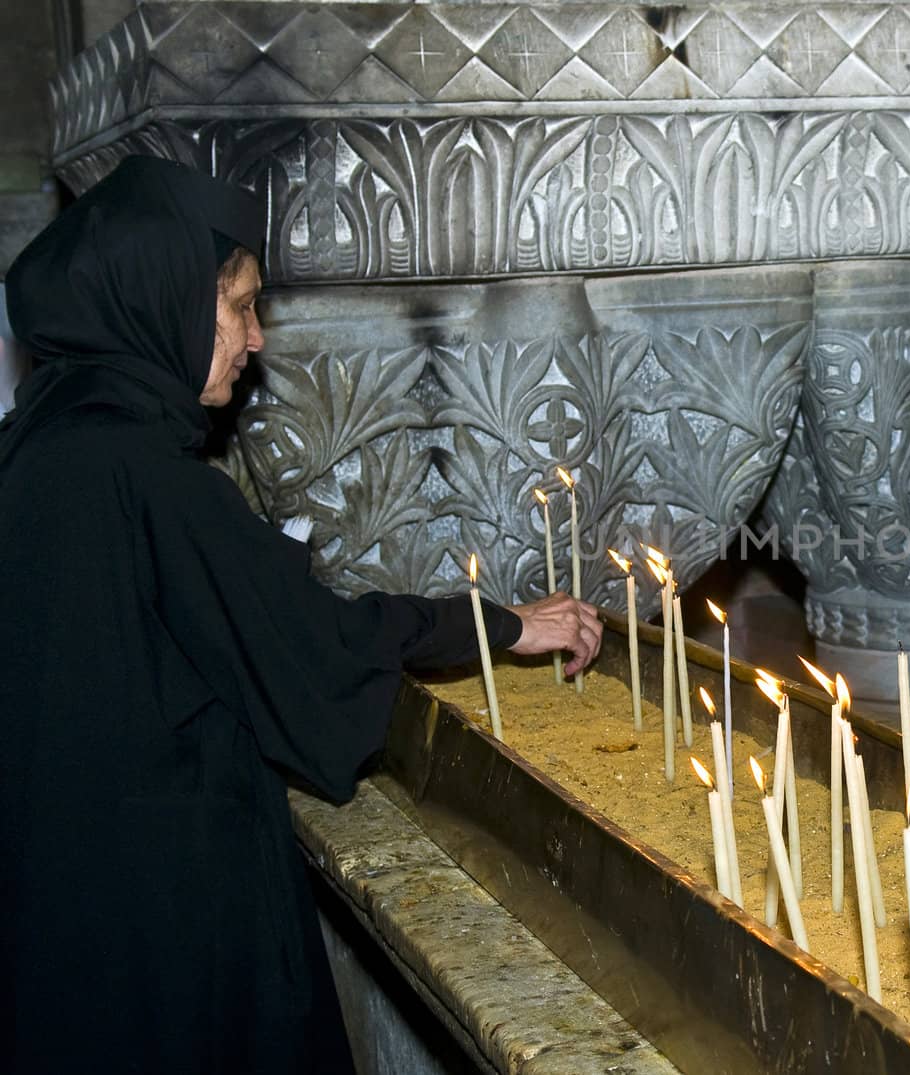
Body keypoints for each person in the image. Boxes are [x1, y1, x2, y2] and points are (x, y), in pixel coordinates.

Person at [0, 156, 602, 1073]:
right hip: (160, 935)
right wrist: (500, 623)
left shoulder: (33, 445)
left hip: (53, 918)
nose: (257, 339)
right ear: (163, 300)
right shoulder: (149, 479)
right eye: (240, 306)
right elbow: (314, 654)